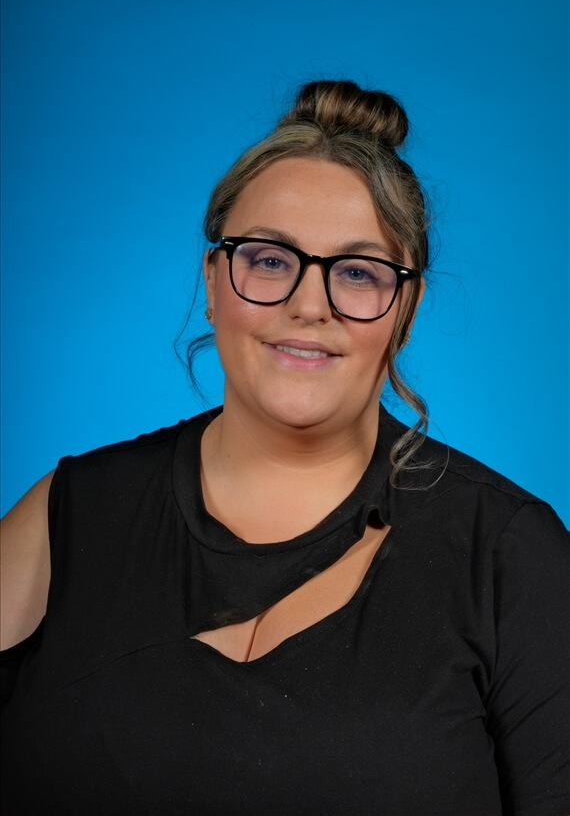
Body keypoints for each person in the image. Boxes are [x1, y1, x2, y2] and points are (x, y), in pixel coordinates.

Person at [1, 80, 568, 816]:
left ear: (405, 309)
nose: (309, 304)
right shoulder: (70, 513)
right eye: (270, 259)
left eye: (358, 272)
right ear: (214, 282)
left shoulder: (510, 555)